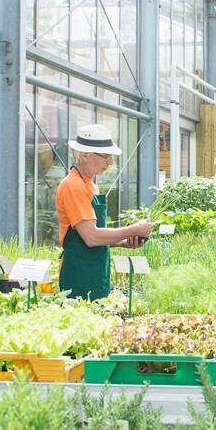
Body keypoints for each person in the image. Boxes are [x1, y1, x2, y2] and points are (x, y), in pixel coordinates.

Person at [56, 124, 154, 301]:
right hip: (80, 276)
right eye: (106, 156)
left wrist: (123, 242)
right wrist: (133, 229)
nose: (110, 162)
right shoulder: (74, 186)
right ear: (85, 155)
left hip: (94, 270)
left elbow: (90, 237)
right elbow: (91, 237)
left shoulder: (89, 184)